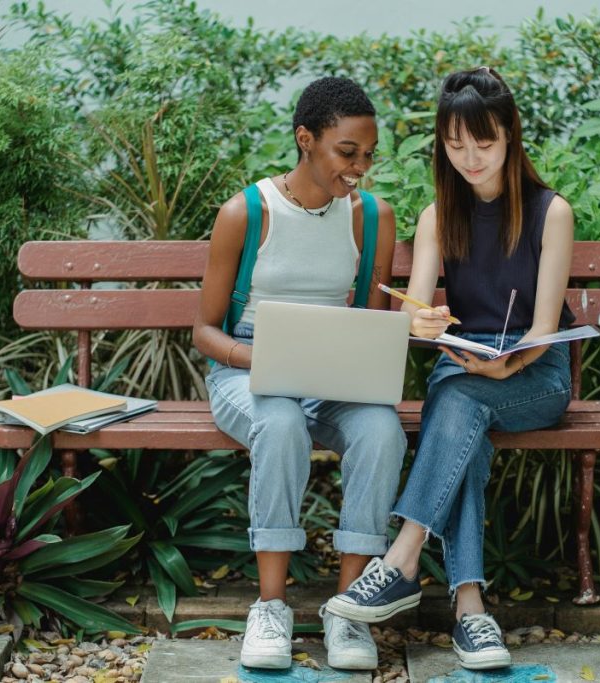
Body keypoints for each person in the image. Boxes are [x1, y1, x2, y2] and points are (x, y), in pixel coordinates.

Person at [325, 66, 575, 671]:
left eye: (483, 143)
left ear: (510, 135)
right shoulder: (439, 216)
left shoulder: (551, 212)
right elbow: (416, 315)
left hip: (535, 373)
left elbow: (545, 329)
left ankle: (402, 558)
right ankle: (470, 611)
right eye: (455, 144)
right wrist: (427, 322)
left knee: (457, 404)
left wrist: (508, 364)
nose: (470, 157)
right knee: (464, 425)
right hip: (465, 365)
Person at [192, 76, 406, 671]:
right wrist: (266, 359)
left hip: (334, 373)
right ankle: (271, 607)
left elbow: (372, 323)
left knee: (381, 431)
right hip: (248, 368)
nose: (360, 167)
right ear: (305, 139)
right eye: (347, 152)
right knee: (281, 422)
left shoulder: (370, 216)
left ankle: (347, 610)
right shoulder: (247, 212)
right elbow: (205, 330)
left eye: (368, 155)